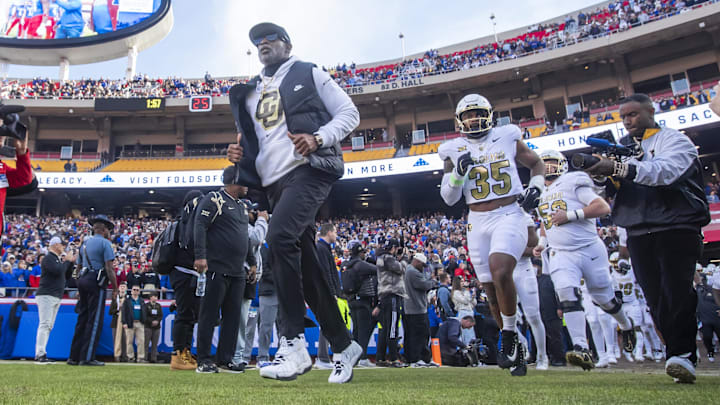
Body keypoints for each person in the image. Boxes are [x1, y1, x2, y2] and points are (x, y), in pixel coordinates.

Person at [226, 22, 362, 383]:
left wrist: (318, 138)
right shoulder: (251, 91)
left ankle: (293, 342)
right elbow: (257, 142)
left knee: (280, 239)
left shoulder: (309, 71)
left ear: (287, 43)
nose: (263, 43)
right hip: (272, 184)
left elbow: (350, 114)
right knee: (307, 267)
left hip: (309, 169)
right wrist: (238, 155)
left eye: (271, 38)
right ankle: (344, 344)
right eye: (258, 41)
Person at [584, 93, 710, 383]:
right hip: (639, 227)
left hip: (676, 225)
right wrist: (602, 176)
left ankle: (683, 354)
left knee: (677, 290)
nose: (628, 121)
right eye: (624, 116)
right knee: (655, 297)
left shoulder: (674, 140)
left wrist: (618, 167)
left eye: (633, 114)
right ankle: (676, 354)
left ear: (651, 111)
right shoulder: (623, 148)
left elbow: (664, 173)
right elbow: (610, 193)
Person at [438, 93, 545, 377]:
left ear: (489, 114)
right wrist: (458, 174)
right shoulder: (451, 148)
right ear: (460, 120)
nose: (473, 118)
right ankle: (517, 345)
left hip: (509, 211)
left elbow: (536, 163)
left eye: (477, 113)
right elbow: (449, 198)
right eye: (468, 114)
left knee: (500, 272)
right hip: (476, 219)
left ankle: (508, 336)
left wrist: (536, 187)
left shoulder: (507, 135)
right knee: (490, 292)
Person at [533, 149, 636, 371]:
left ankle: (626, 325)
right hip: (561, 252)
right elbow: (545, 220)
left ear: (561, 165)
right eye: (544, 164)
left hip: (589, 248)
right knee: (566, 294)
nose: (548, 168)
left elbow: (602, 207)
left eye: (551, 163)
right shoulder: (540, 191)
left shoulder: (573, 180)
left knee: (604, 299)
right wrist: (541, 243)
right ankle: (581, 347)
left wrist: (570, 215)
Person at [194, 166, 256, 374]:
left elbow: (244, 237)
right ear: (234, 181)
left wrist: (252, 261)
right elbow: (200, 224)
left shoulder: (242, 206)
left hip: (237, 271)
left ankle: (225, 358)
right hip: (216, 268)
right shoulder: (213, 199)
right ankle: (203, 359)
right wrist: (200, 256)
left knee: (232, 317)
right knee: (209, 315)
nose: (247, 185)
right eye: (244, 181)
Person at [68, 215, 118, 366]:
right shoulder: (105, 244)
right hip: (96, 281)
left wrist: (78, 285)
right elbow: (109, 269)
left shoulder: (84, 244)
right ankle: (87, 357)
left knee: (82, 317)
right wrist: (115, 288)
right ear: (104, 230)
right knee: (94, 320)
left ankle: (74, 356)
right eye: (109, 229)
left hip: (83, 280)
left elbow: (77, 267)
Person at [169, 190, 203, 371]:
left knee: (189, 315)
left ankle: (185, 352)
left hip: (184, 274)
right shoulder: (186, 222)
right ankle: (178, 354)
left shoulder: (181, 221)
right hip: (184, 273)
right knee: (184, 315)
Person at [513, 216, 548, 370]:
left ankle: (542, 356)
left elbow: (533, 249)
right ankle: (523, 345)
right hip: (504, 271)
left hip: (523, 269)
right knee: (505, 317)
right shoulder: (493, 217)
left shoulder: (524, 218)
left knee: (533, 316)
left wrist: (511, 249)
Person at [34, 236, 76, 364]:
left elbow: (66, 276)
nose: (63, 247)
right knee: (45, 324)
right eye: (61, 244)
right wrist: (67, 262)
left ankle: (42, 353)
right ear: (56, 245)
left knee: (49, 325)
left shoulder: (57, 260)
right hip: (47, 294)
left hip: (55, 295)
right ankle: (40, 353)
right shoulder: (48, 258)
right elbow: (58, 272)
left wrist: (71, 263)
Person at [344, 241, 378, 367]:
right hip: (363, 301)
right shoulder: (361, 265)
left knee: (357, 331)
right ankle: (362, 357)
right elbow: (377, 269)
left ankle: (355, 358)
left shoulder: (347, 265)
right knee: (363, 331)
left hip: (352, 300)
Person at [374, 239, 406, 367]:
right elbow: (401, 269)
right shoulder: (388, 258)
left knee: (386, 328)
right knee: (392, 328)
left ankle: (381, 358)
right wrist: (404, 258)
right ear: (394, 247)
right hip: (392, 294)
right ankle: (393, 358)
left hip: (385, 296)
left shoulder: (382, 258)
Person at [403, 253, 438, 367]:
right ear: (417, 262)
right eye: (422, 265)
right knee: (420, 334)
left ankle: (412, 358)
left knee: (411, 334)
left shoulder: (409, 270)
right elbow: (424, 285)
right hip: (416, 308)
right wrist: (433, 282)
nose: (423, 268)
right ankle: (418, 358)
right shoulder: (413, 272)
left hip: (410, 308)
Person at [314, 223, 342, 369]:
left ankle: (324, 357)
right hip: (326, 293)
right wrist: (331, 293)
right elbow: (325, 273)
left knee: (328, 324)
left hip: (328, 292)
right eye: (335, 232)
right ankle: (323, 357)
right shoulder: (321, 248)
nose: (336, 235)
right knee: (327, 323)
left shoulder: (324, 248)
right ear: (329, 232)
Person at [123, 285, 146, 363]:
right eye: (134, 290)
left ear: (139, 292)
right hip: (130, 322)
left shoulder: (141, 300)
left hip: (139, 322)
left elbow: (144, 311)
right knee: (129, 341)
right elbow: (124, 312)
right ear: (131, 291)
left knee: (141, 341)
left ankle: (141, 357)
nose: (135, 291)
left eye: (137, 290)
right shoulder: (127, 300)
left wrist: (144, 320)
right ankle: (130, 357)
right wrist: (124, 322)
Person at [451, 276, 476, 345]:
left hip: (470, 311)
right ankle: (466, 346)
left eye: (463, 281)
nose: (463, 283)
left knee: (471, 332)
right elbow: (465, 301)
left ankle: (472, 346)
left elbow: (473, 303)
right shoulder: (456, 292)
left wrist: (473, 296)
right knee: (466, 333)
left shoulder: (464, 292)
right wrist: (467, 290)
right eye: (461, 281)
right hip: (463, 312)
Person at [109, 282, 128, 362]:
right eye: (121, 286)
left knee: (125, 340)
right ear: (119, 288)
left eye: (124, 287)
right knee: (116, 339)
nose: (123, 288)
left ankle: (124, 356)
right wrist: (117, 308)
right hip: (115, 322)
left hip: (124, 322)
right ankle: (117, 356)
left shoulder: (128, 299)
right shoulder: (114, 298)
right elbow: (110, 312)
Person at [144, 292, 163, 363]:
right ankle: (144, 358)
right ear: (150, 297)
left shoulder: (158, 306)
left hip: (157, 327)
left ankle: (154, 358)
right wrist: (151, 321)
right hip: (148, 326)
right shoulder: (146, 306)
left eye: (156, 296)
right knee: (146, 343)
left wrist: (157, 321)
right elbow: (145, 315)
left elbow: (160, 315)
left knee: (155, 344)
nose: (155, 298)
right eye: (154, 296)